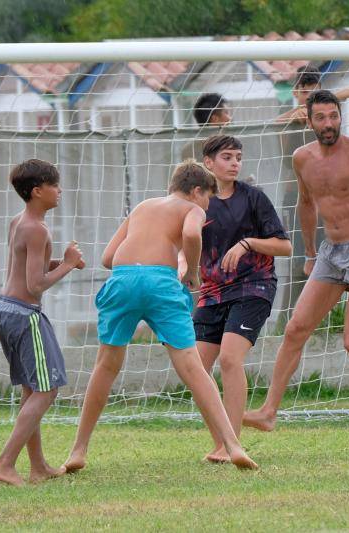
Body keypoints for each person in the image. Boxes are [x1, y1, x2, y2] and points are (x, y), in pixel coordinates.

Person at [64, 160, 258, 472]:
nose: (208, 206)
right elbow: (193, 236)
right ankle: (232, 445)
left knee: (106, 365)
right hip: (161, 284)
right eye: (208, 198)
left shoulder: (142, 207)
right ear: (196, 192)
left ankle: (78, 450)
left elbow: (107, 258)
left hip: (123, 280)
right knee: (194, 369)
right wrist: (192, 272)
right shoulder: (192, 209)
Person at [244, 90, 349, 431]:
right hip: (329, 253)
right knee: (295, 329)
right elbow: (306, 203)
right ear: (309, 120)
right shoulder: (302, 158)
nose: (329, 123)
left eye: (334, 116)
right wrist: (309, 252)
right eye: (321, 117)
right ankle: (268, 412)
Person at [193, 135, 291, 463]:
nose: (235, 163)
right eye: (227, 157)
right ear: (208, 162)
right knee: (195, 367)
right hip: (211, 292)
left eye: (238, 157)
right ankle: (221, 440)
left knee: (230, 359)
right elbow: (182, 241)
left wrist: (248, 242)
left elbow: (284, 245)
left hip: (254, 286)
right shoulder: (197, 201)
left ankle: (231, 445)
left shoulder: (253, 198)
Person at [0, 159, 84, 486]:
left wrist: (61, 262)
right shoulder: (37, 228)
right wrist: (69, 264)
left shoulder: (20, 221)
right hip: (24, 313)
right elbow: (35, 285)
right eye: (54, 185)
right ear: (37, 191)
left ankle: (39, 466)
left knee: (32, 388)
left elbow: (30, 266)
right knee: (47, 388)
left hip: (5, 309)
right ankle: (4, 463)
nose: (60, 190)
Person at [276, 65, 349, 125]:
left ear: (320, 90)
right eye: (304, 92)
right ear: (295, 92)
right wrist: (293, 121)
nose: (309, 97)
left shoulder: (328, 107)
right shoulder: (284, 118)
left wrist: (326, 99)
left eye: (314, 92)